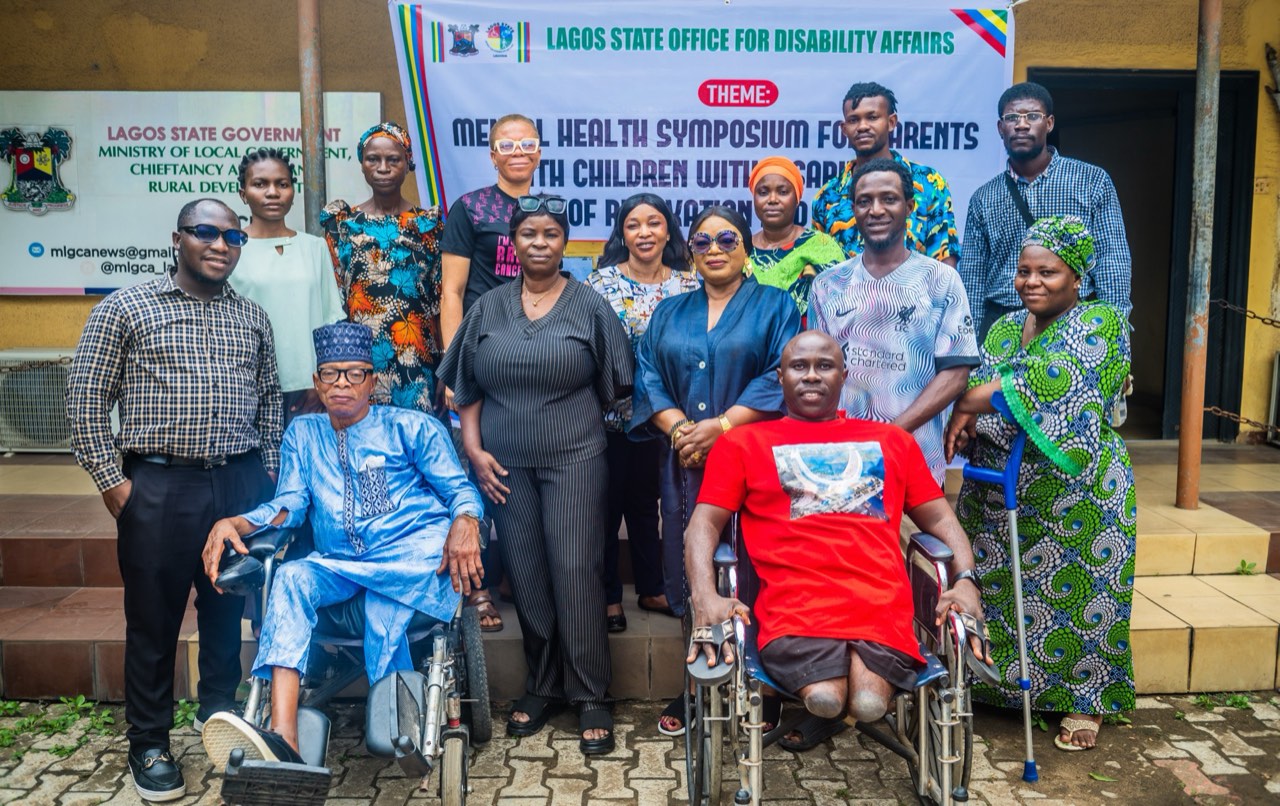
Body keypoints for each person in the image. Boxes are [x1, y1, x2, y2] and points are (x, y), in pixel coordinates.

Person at [65, 198, 281, 802]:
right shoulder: (126, 308)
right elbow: (85, 399)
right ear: (177, 238)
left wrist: (265, 475)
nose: (220, 245)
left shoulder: (252, 318)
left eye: (232, 237)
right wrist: (114, 483)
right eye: (206, 232)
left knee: (225, 611)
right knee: (153, 620)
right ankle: (149, 743)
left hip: (235, 486)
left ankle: (220, 716)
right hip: (159, 487)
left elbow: (269, 400)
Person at [196, 322, 485, 764]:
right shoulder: (303, 434)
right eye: (331, 374)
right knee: (291, 577)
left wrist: (465, 519)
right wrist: (234, 521)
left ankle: (400, 724)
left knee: (389, 595)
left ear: (372, 380)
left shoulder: (413, 428)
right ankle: (283, 737)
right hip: (341, 563)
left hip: (410, 558)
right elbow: (291, 504)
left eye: (354, 374)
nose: (342, 384)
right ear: (317, 382)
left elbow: (459, 489)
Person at [686, 331, 989, 751]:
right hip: (794, 609)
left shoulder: (892, 441)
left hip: (881, 607)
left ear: (844, 376)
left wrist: (966, 580)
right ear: (781, 377)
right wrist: (705, 595)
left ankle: (853, 700)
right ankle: (833, 703)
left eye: (824, 366)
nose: (812, 376)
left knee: (868, 701)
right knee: (826, 697)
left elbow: (939, 517)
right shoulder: (742, 443)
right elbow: (703, 524)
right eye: (800, 366)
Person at [438, 194, 633, 756]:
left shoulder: (589, 305)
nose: (540, 243)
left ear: (564, 242)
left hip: (575, 459)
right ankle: (544, 683)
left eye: (550, 234)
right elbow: (467, 385)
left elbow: (618, 387)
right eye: (529, 234)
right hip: (504, 466)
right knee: (525, 572)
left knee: (574, 569)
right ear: (514, 243)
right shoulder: (488, 307)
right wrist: (473, 450)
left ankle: (590, 692)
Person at [945, 215, 1135, 751]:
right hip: (999, 486)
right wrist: (974, 405)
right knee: (1000, 589)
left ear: (1077, 276)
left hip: (1078, 492)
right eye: (1024, 271)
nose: (1032, 282)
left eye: (1047, 272)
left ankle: (1086, 699)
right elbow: (986, 381)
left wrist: (967, 401)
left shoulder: (1101, 322)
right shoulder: (1006, 326)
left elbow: (1049, 381)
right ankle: (1001, 688)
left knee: (1084, 597)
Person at [630, 204, 801, 735]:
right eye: (702, 242)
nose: (715, 250)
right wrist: (683, 430)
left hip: (754, 460)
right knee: (691, 562)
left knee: (757, 565)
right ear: (691, 254)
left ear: (746, 248)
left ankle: (762, 683)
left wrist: (722, 427)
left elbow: (782, 374)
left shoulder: (775, 306)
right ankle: (697, 679)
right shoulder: (669, 312)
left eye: (727, 239)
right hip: (685, 462)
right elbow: (648, 376)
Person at [809, 158, 978, 486]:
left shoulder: (941, 280)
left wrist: (891, 434)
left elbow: (956, 374)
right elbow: (817, 376)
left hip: (917, 461)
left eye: (889, 199)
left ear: (910, 207)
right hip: (845, 465)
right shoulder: (828, 285)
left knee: (918, 524)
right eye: (864, 201)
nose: (876, 210)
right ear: (853, 210)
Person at [439, 112, 544, 630]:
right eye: (507, 144)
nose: (517, 152)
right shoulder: (471, 208)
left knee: (519, 466)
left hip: (534, 358)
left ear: (539, 152)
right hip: (481, 356)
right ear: (492, 154)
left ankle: (515, 578)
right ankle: (478, 586)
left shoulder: (546, 209)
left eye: (527, 143)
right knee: (473, 469)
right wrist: (455, 366)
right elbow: (452, 292)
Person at [587, 193, 700, 630]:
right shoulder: (600, 284)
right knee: (607, 505)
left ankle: (653, 587)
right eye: (633, 225)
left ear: (668, 231)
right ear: (622, 234)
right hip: (610, 417)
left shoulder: (689, 285)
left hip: (668, 419)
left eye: (654, 223)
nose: (644, 232)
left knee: (649, 504)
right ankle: (609, 598)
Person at [958, 81, 1132, 340]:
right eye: (1012, 117)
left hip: (1073, 324)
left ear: (1049, 123)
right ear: (1000, 128)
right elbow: (972, 280)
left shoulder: (1091, 182)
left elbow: (1112, 262)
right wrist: (967, 345)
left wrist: (1114, 333)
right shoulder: (984, 198)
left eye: (1032, 116)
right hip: (1002, 329)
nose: (1021, 124)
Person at [320, 121, 444, 412]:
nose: (383, 168)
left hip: (417, 358)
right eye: (373, 159)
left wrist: (445, 368)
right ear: (362, 164)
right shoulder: (343, 224)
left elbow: (440, 300)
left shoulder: (428, 225)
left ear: (408, 163)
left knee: (416, 435)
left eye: (393, 159)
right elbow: (333, 299)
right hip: (358, 362)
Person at [229, 148, 345, 425]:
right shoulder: (230, 250)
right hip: (249, 387)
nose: (273, 193)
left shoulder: (315, 247)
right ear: (243, 194)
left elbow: (332, 321)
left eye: (282, 184)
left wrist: (325, 383)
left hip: (310, 391)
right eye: (260, 184)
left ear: (293, 192)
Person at [811, 82, 961, 266]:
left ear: (891, 122)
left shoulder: (928, 183)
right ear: (844, 129)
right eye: (854, 120)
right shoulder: (827, 196)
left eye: (872, 117)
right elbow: (820, 268)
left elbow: (945, 262)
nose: (862, 126)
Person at [745, 156, 846, 317]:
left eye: (783, 192)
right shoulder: (741, 249)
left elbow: (842, 303)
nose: (772, 199)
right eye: (763, 192)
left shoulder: (821, 245)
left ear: (797, 198)